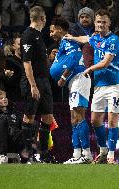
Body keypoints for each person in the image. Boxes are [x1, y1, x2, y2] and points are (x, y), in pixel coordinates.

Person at [65, 9, 119, 164]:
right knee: (94, 120)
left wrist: (90, 68)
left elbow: (105, 62)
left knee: (112, 120)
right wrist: (71, 37)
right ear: (95, 23)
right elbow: (85, 39)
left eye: (104, 22)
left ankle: (111, 155)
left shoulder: (114, 40)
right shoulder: (95, 38)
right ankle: (103, 150)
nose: (101, 24)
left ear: (109, 23)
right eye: (98, 22)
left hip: (115, 85)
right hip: (99, 86)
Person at [49, 17, 93, 164]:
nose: (51, 34)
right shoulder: (64, 42)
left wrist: (62, 77)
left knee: (79, 116)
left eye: (52, 30)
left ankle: (86, 154)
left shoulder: (67, 40)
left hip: (79, 79)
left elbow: (75, 58)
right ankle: (76, 154)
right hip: (74, 82)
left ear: (60, 29)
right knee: (74, 118)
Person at [20, 6, 55, 163]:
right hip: (32, 82)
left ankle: (43, 154)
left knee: (47, 117)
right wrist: (33, 85)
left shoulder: (39, 36)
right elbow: (26, 63)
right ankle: (27, 155)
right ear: (43, 19)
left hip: (44, 81)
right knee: (29, 116)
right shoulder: (27, 35)